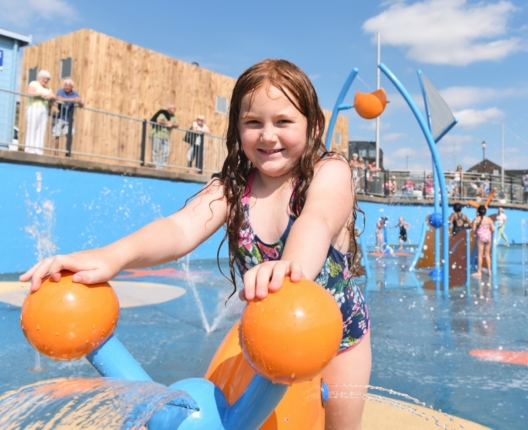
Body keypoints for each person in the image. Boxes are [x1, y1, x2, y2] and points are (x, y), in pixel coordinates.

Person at [20, 59, 371, 428]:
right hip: (269, 337)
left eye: (283, 122)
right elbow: (180, 228)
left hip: (341, 338)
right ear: (238, 128)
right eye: (254, 123)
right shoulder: (233, 189)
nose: (268, 136)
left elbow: (317, 219)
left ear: (313, 125)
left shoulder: (331, 172)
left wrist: (289, 265)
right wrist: (112, 255)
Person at [24, 69, 56, 155]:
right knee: (32, 127)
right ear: (40, 78)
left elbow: (54, 96)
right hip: (33, 108)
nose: (46, 80)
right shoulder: (34, 83)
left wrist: (50, 96)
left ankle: (38, 150)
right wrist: (42, 94)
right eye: (44, 78)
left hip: (44, 109)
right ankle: (29, 150)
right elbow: (30, 92)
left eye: (48, 79)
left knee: (41, 129)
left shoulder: (49, 88)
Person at [53, 79, 83, 153]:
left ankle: (67, 152)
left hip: (69, 119)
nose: (67, 87)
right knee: (57, 135)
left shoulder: (75, 93)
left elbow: (82, 104)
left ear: (72, 87)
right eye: (66, 85)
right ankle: (56, 153)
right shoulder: (60, 91)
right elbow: (59, 98)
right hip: (59, 117)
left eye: (69, 86)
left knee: (69, 135)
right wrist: (73, 100)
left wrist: (79, 101)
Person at [149, 105, 179, 169]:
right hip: (157, 134)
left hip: (166, 136)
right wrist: (166, 123)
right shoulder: (163, 113)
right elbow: (158, 120)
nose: (175, 110)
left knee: (166, 152)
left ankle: (162, 167)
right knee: (155, 150)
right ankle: (156, 165)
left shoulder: (173, 116)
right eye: (173, 108)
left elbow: (177, 124)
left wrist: (172, 125)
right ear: (169, 109)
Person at [471, 205, 495, 276]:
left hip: (480, 238)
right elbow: (493, 229)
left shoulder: (476, 219)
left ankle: (479, 272)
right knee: (487, 255)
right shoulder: (489, 219)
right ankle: (490, 272)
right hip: (488, 238)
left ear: (478, 212)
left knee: (480, 255)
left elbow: (473, 230)